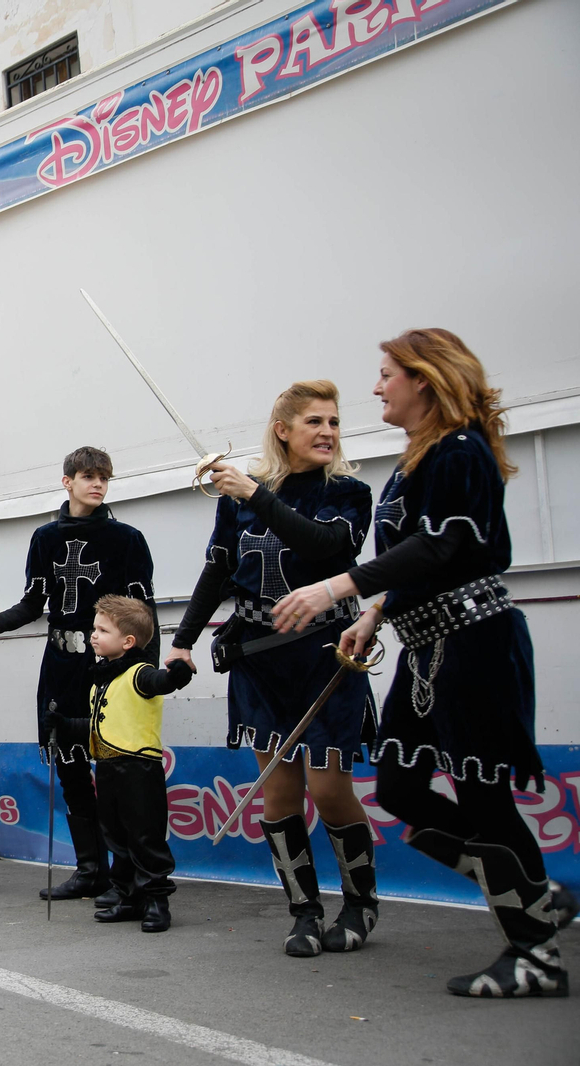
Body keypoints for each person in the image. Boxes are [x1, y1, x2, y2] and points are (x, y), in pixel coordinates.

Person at [273, 330, 574, 998]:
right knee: (403, 791)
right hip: (425, 647)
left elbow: (444, 546)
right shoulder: (417, 462)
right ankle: (532, 892)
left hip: (476, 644)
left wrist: (338, 587)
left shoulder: (461, 450)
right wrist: (375, 614)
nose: (377, 388)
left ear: (424, 379)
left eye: (386, 375)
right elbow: (416, 558)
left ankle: (536, 953)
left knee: (485, 799)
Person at [167, 381, 377, 958]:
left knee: (330, 788)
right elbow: (217, 572)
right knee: (278, 791)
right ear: (282, 430)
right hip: (260, 660)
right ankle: (303, 910)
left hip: (328, 654)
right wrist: (182, 642)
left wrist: (256, 494)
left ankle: (360, 902)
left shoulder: (350, 494)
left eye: (334, 422)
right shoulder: (236, 500)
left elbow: (324, 548)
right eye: (315, 421)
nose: (328, 432)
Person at [0, 447, 156, 904]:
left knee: (114, 771)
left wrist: (142, 673)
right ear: (67, 481)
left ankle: (124, 874)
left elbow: (143, 615)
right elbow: (34, 602)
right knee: (70, 768)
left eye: (104, 478)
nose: (97, 485)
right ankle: (88, 868)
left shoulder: (128, 539)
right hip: (60, 665)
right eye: (88, 476)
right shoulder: (44, 537)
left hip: (111, 670)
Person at [46, 596, 192, 933]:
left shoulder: (139, 673)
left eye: (102, 630)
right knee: (115, 835)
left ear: (128, 641)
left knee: (144, 835)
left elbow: (161, 682)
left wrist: (177, 675)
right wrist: (65, 725)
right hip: (108, 768)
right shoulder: (102, 679)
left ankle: (157, 899)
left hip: (138, 769)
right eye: (94, 628)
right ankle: (128, 895)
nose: (93, 635)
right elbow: (100, 726)